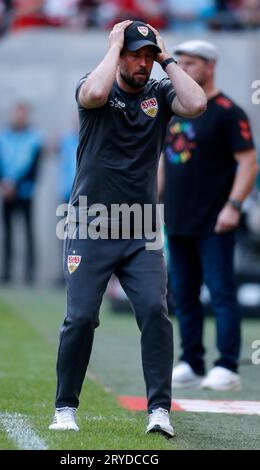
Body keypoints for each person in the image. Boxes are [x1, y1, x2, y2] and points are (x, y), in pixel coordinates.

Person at [49, 20, 206, 436]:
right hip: (89, 222)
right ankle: (65, 407)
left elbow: (197, 104)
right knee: (81, 318)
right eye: (134, 55)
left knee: (156, 311)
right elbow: (96, 93)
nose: (141, 63)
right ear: (118, 54)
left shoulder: (160, 92)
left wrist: (166, 57)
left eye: (146, 56)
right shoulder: (94, 86)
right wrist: (116, 43)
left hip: (141, 228)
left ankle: (159, 410)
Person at [158, 40, 258, 390]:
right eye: (179, 61)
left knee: (220, 291)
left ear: (209, 66)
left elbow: (249, 162)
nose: (181, 68)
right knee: (183, 294)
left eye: (190, 63)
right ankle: (191, 360)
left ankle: (227, 366)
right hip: (178, 219)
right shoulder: (175, 109)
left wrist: (233, 207)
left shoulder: (229, 111)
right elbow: (164, 162)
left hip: (216, 221)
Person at [0, 102, 43, 283]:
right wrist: (2, 184)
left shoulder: (35, 138)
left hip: (24, 193)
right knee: (7, 233)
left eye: (22, 114)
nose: (19, 117)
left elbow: (34, 168)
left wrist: (15, 184)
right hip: (5, 193)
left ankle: (29, 274)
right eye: (16, 114)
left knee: (28, 232)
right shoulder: (1, 137)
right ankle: (6, 272)